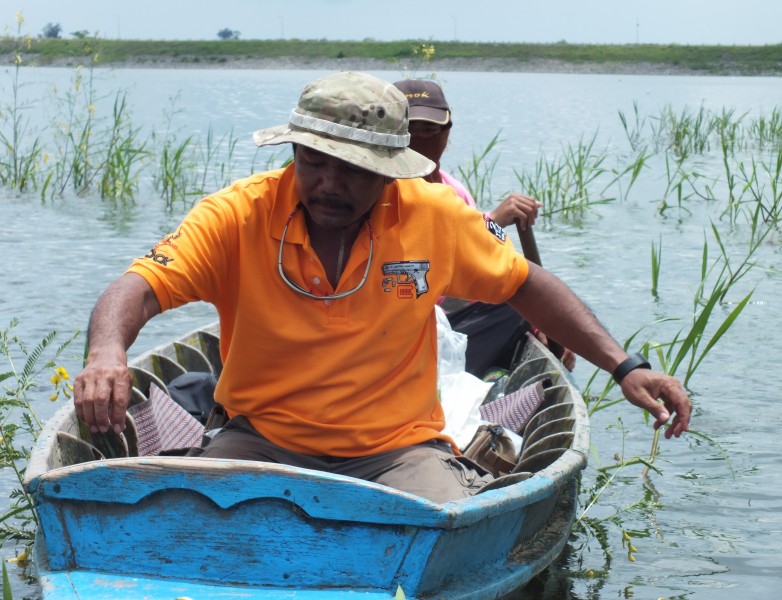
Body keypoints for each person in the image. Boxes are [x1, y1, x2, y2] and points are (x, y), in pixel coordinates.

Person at [73, 71, 691, 504]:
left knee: (448, 521)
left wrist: (623, 365)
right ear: (292, 150)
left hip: (396, 453)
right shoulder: (239, 214)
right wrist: (106, 354)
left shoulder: (433, 215)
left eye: (353, 169)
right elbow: (140, 287)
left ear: (390, 169)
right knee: (178, 521)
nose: (329, 185)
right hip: (261, 438)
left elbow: (526, 285)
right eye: (314, 162)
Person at [393, 78, 576, 374]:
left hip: (440, 319)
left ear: (446, 133)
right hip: (401, 327)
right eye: (406, 131)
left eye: (428, 130)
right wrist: (493, 221)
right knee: (516, 308)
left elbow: (474, 269)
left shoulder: (454, 191)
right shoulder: (379, 191)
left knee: (517, 302)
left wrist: (542, 324)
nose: (417, 142)